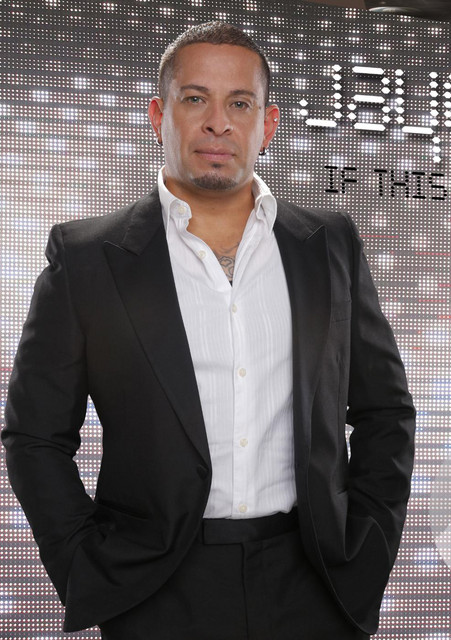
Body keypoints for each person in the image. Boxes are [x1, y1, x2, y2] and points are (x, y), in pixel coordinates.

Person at [2, 21, 415, 640]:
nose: (218, 123)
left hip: (315, 583)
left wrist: (368, 553)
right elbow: (34, 435)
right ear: (158, 116)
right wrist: (84, 565)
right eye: (195, 98)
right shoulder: (87, 258)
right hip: (154, 591)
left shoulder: (329, 244)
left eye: (239, 103)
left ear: (267, 125)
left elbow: (385, 412)